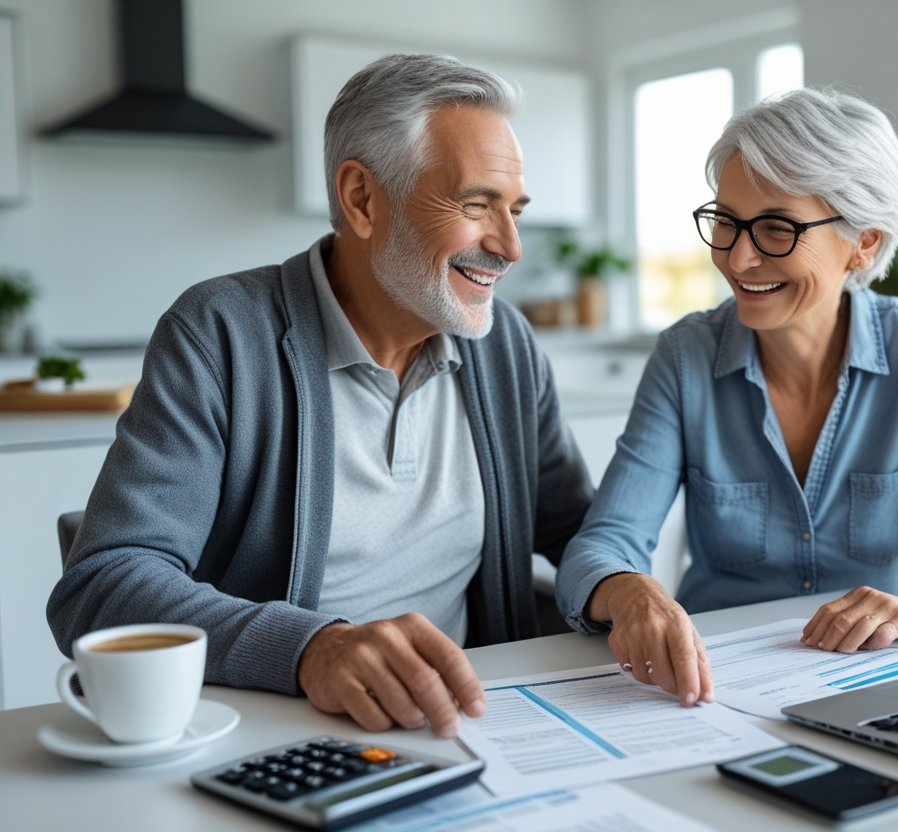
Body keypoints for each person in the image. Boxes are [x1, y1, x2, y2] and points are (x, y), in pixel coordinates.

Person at [47, 54, 594, 736]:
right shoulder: (222, 333)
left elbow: (577, 530)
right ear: (363, 199)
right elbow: (102, 586)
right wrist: (311, 648)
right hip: (277, 732)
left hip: (474, 724)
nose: (509, 245)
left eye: (514, 210)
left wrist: (623, 585)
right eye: (476, 203)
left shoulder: (503, 342)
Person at [555, 86, 898, 707]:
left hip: (873, 690)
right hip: (709, 694)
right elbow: (598, 549)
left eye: (775, 229)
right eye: (726, 222)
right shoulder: (687, 358)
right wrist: (634, 592)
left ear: (863, 242)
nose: (738, 257)